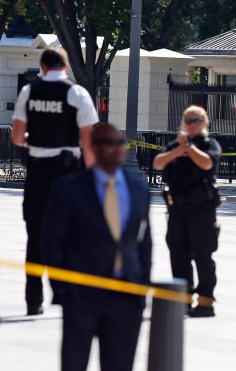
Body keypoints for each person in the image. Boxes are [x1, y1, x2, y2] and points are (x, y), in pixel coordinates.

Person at [43, 124, 152, 371]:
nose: (116, 149)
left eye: (119, 143)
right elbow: (52, 242)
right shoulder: (68, 189)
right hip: (82, 295)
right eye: (108, 143)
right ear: (92, 148)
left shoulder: (139, 189)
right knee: (74, 363)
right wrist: (64, 289)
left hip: (126, 295)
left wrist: (141, 286)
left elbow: (145, 242)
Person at [11, 47, 98, 316]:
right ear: (66, 67)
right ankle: (65, 295)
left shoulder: (29, 92)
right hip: (67, 173)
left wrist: (35, 141)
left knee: (34, 237)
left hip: (38, 172)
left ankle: (33, 300)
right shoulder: (77, 93)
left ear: (43, 66)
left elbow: (16, 137)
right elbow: (87, 140)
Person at [153, 105, 221, 317]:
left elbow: (207, 163)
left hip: (201, 209)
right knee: (178, 254)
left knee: (203, 255)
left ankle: (205, 302)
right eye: (188, 121)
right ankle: (182, 300)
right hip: (177, 209)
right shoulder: (176, 145)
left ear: (205, 123)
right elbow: (157, 163)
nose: (192, 124)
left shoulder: (209, 144)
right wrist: (178, 151)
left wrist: (189, 149)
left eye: (197, 120)